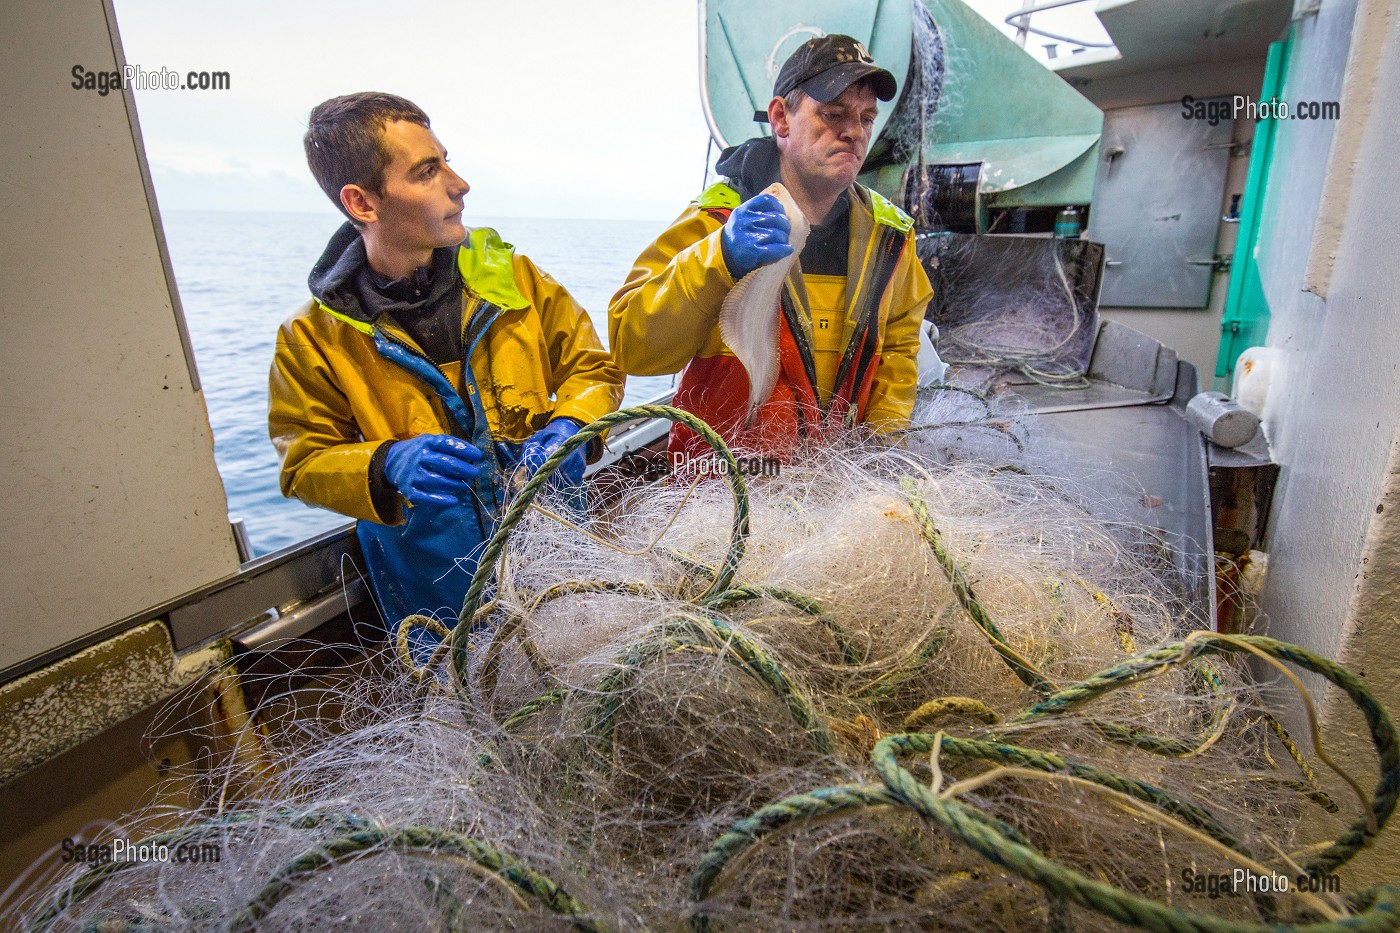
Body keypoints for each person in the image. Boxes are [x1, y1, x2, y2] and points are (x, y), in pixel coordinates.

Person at [269, 92, 624, 632]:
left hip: (560, 574)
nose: (459, 184)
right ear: (362, 203)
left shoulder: (515, 278)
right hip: (438, 611)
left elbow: (593, 367)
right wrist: (386, 463)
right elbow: (302, 461)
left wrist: (574, 423)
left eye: (446, 162)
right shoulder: (311, 337)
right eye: (427, 171)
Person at [608, 35, 933, 464]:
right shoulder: (715, 221)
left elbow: (898, 351)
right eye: (833, 114)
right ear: (781, 118)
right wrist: (719, 258)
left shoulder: (891, 238)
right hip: (721, 492)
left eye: (866, 117)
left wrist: (883, 461)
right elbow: (633, 347)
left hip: (832, 492)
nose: (854, 132)